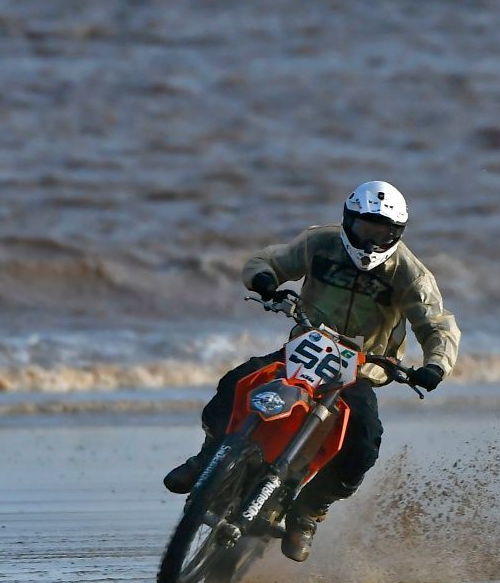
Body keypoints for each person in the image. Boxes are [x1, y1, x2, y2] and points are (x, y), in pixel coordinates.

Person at [162, 180, 460, 561]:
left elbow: (437, 325)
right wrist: (265, 280)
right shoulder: (320, 243)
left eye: (382, 231)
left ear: (397, 233)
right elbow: (269, 259)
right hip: (304, 348)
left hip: (360, 372)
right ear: (348, 220)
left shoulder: (411, 275)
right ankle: (207, 459)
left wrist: (435, 366)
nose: (371, 239)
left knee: (364, 445)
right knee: (236, 382)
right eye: (365, 227)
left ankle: (308, 515)